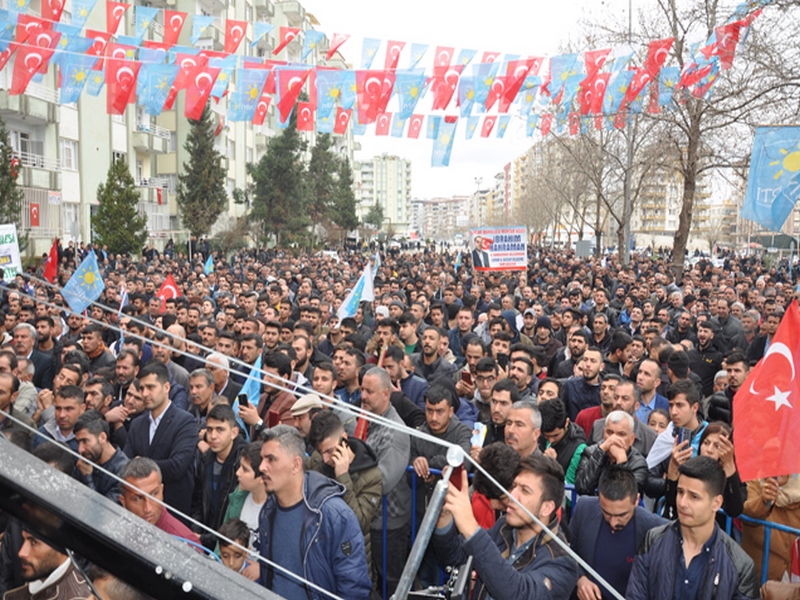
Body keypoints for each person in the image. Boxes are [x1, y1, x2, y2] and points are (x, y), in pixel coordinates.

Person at [433, 454, 579, 600]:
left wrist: (471, 528)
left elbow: (519, 594)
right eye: (514, 486)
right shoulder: (504, 528)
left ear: (546, 508)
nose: (512, 495)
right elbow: (455, 559)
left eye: (525, 490)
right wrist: (445, 514)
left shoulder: (562, 563)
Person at [256, 425, 372, 599]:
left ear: (296, 465)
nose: (262, 467)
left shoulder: (335, 516)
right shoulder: (268, 510)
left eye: (271, 459)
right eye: (262, 459)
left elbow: (353, 588)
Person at [626, 456, 758, 600]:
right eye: (680, 492)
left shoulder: (740, 566)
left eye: (694, 497)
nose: (682, 503)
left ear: (716, 503)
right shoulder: (653, 541)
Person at [570, 467, 666, 600]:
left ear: (637, 500)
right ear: (599, 498)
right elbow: (566, 553)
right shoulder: (584, 509)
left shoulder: (655, 527)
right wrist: (580, 578)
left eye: (622, 515)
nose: (614, 522)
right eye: (607, 513)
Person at [307, 411, 382, 572]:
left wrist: (343, 477)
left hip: (352, 559)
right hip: (321, 554)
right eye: (321, 452)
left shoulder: (372, 476)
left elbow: (359, 522)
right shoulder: (317, 461)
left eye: (329, 451)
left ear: (344, 439)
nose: (326, 459)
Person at [123, 362, 197, 515]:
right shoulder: (137, 424)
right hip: (138, 511)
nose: (145, 394)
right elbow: (126, 463)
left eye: (151, 387)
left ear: (166, 387)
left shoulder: (185, 421)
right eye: (142, 388)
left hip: (172, 511)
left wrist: (141, 464)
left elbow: (177, 467)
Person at [191, 404, 246, 549]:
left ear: (234, 432)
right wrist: (195, 533)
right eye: (209, 430)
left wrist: (205, 538)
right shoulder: (206, 459)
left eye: (220, 430)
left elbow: (236, 516)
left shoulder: (242, 464)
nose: (213, 436)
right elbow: (197, 501)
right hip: (203, 540)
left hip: (229, 545)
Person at [118, 457, 200, 543]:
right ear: (123, 501)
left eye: (154, 494)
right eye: (138, 499)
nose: (148, 509)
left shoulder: (185, 542)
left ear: (162, 491)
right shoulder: (113, 527)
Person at [741, 473, 800, 582]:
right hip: (761, 578)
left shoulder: (797, 485)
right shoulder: (754, 483)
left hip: (794, 578)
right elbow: (748, 511)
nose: (778, 469)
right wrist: (763, 501)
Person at [575, 411, 649, 496]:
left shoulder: (638, 464)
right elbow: (582, 487)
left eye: (621, 434)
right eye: (609, 432)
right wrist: (600, 452)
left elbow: (624, 496)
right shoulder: (590, 452)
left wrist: (621, 461)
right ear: (604, 433)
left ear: (631, 439)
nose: (613, 439)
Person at [3, 530, 92, 600]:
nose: (22, 552)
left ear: (61, 549)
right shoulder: (40, 579)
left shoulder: (78, 596)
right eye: (23, 539)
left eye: (34, 542)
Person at [73, 410, 130, 502]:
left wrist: (88, 477)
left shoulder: (123, 471)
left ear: (103, 438)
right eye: (78, 442)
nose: (80, 449)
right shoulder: (84, 461)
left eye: (85, 441)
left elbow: (102, 512)